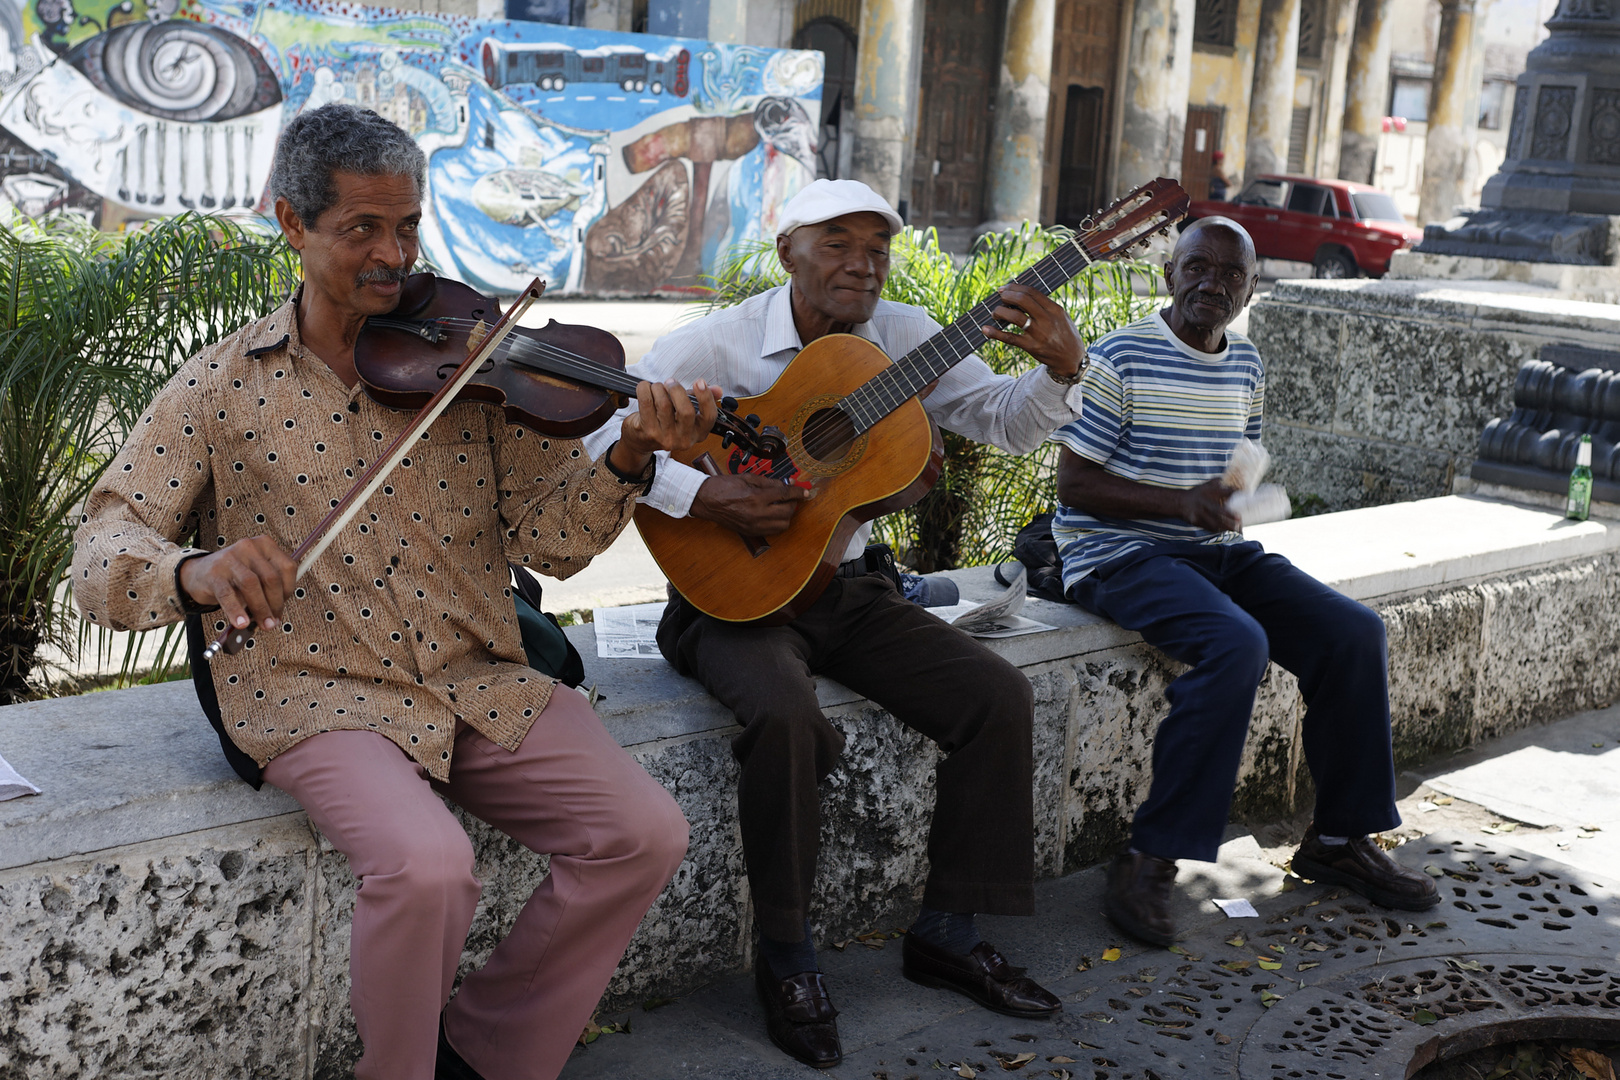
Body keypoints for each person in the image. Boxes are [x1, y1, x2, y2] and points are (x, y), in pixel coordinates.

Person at [70, 103, 720, 1080]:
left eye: (408, 225)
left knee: (642, 832)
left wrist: (629, 453)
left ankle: (492, 1049)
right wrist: (192, 571)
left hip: (473, 670)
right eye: (361, 229)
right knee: (425, 866)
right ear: (292, 223)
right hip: (311, 686)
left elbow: (557, 538)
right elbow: (103, 544)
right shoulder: (219, 388)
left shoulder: (473, 362)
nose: (394, 255)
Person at [583, 178, 1086, 1070]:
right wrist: (707, 493)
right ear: (788, 254)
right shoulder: (717, 342)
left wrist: (1059, 369)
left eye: (878, 248)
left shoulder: (909, 339)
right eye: (839, 244)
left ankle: (948, 931)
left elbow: (1006, 426)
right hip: (729, 599)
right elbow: (603, 442)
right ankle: (786, 955)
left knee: (997, 696)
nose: (864, 264)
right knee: (786, 719)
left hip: (849, 591)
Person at [1049, 216, 1439, 948]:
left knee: (1354, 633)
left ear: (1253, 287)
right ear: (1171, 271)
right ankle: (1148, 857)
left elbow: (1233, 466)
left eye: (1233, 275)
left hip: (1208, 549)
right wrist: (1178, 503)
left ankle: (1336, 839)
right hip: (1118, 553)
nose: (1214, 284)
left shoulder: (1246, 362)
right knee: (1238, 644)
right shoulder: (1118, 356)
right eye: (1200, 267)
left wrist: (1229, 500)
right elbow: (1074, 486)